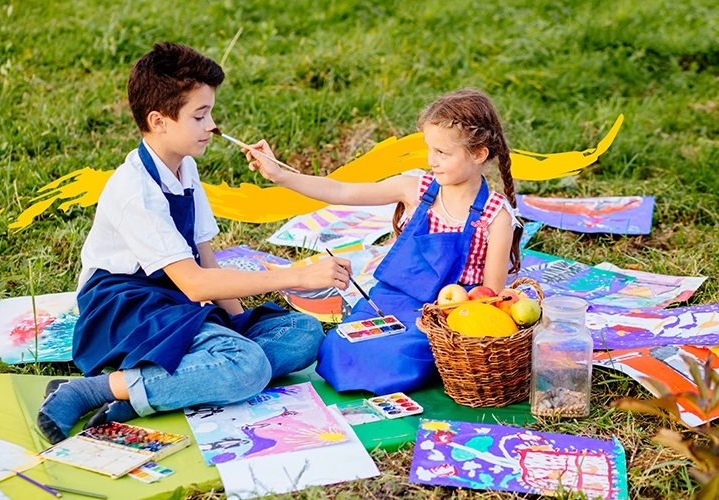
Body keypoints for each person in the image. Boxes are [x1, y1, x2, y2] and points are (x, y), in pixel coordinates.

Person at [36, 42, 351, 444]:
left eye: (211, 113)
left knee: (304, 331)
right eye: (200, 116)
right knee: (248, 368)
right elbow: (197, 284)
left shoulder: (185, 167)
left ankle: (152, 388)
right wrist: (298, 276)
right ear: (159, 121)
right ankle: (90, 390)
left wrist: (237, 323)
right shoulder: (135, 189)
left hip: (175, 299)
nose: (213, 126)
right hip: (127, 306)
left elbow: (204, 258)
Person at [244, 88, 523, 394]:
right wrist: (280, 175)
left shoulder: (496, 215)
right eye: (429, 149)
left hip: (451, 311)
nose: (432, 160)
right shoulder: (416, 189)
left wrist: (444, 323)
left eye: (443, 153)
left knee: (397, 359)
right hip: (393, 298)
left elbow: (490, 297)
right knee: (339, 345)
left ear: (478, 154)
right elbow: (341, 192)